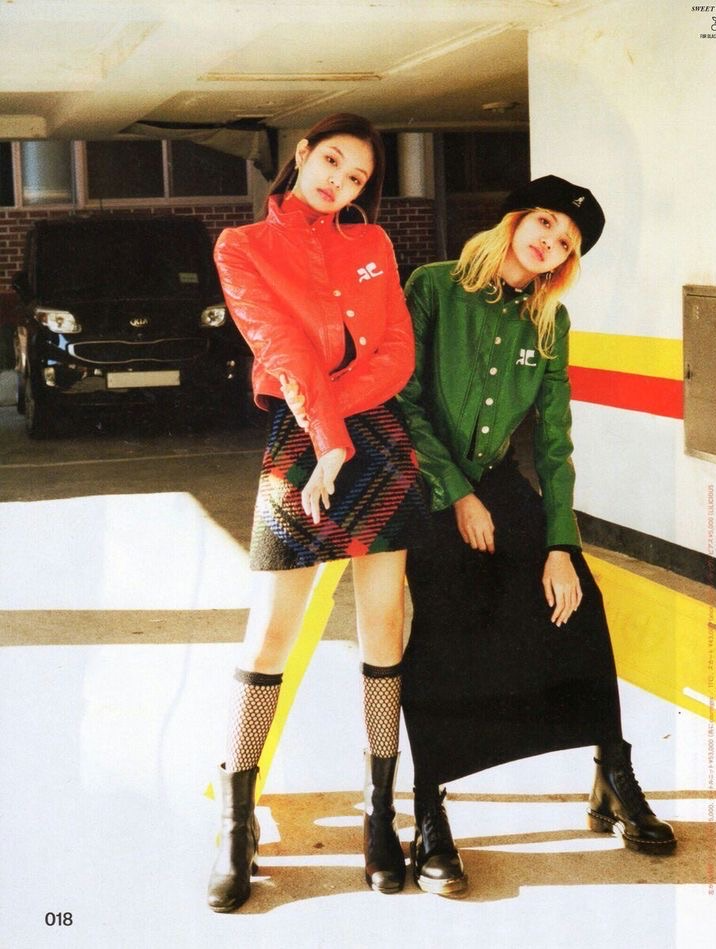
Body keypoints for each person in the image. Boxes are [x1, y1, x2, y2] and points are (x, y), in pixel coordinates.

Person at [396, 175, 677, 896]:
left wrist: (560, 545)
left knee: (580, 605)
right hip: (424, 483)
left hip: (494, 482)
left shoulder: (550, 320)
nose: (550, 242)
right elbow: (403, 399)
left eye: (566, 241)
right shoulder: (433, 286)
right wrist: (457, 494)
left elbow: (553, 441)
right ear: (517, 218)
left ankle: (613, 773)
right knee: (443, 622)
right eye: (546, 222)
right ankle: (427, 807)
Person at [207, 113, 426, 912]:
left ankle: (379, 813)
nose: (339, 181)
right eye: (331, 160)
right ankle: (235, 822)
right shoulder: (241, 246)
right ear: (301, 155)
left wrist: (344, 428)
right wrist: (326, 438)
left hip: (378, 437)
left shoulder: (373, 243)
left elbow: (396, 351)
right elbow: (281, 349)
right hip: (302, 435)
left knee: (383, 625)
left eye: (357, 176)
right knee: (271, 630)